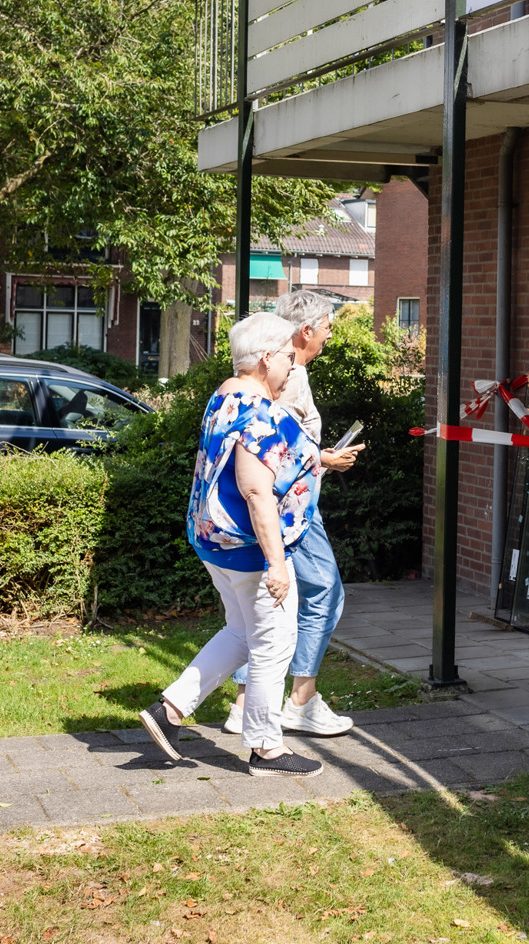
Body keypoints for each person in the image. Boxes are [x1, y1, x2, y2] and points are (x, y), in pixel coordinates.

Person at [138, 312, 324, 777]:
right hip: (250, 549)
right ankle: (267, 749)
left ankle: (170, 711)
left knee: (241, 632)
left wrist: (320, 459)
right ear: (266, 359)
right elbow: (256, 491)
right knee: (274, 643)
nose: (292, 366)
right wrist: (277, 563)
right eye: (287, 357)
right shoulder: (260, 413)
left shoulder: (225, 395)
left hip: (213, 540)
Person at [224, 291, 366, 737]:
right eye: (327, 327)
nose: (329, 336)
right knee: (324, 592)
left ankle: (245, 704)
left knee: (264, 601)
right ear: (306, 331)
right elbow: (271, 446)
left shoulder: (276, 374)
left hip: (281, 505)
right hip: (290, 508)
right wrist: (326, 459)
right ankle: (300, 702)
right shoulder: (292, 376)